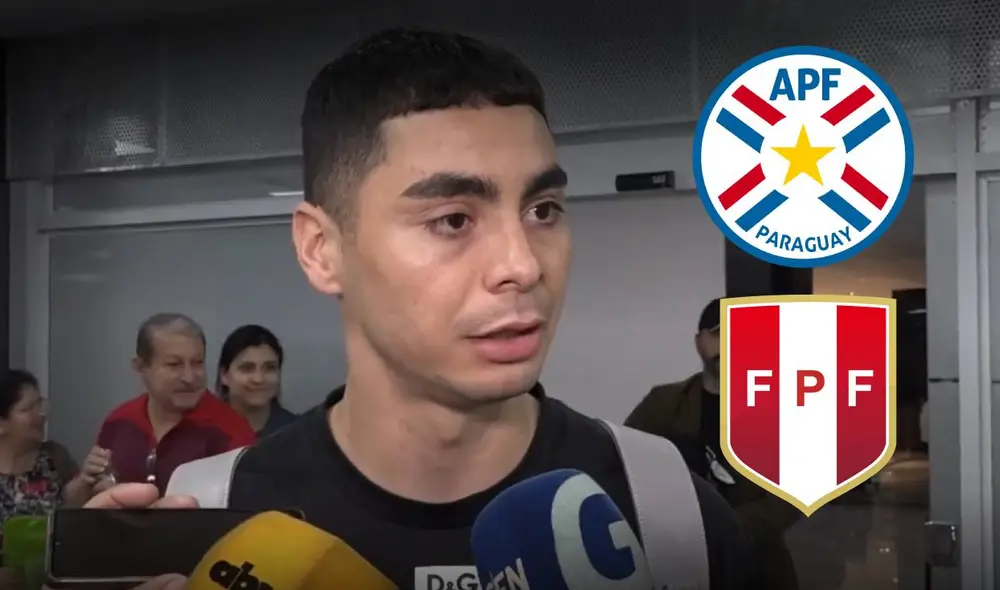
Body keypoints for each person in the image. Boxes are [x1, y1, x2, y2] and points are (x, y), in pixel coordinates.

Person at [89, 29, 759, 590]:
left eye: (543, 209)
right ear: (322, 250)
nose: (523, 264)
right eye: (453, 219)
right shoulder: (207, 514)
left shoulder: (668, 509)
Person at [625, 298, 801, 590]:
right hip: (679, 566)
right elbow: (625, 464)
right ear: (699, 342)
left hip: (758, 566)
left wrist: (721, 528)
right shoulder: (665, 403)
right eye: (720, 332)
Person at [92, 313, 256, 493]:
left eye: (197, 363)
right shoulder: (119, 421)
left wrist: (127, 500)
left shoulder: (231, 431)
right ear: (140, 367)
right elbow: (80, 499)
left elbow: (244, 513)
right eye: (174, 364)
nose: (189, 377)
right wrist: (86, 485)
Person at [216, 325, 297, 437]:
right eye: (247, 368)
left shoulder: (299, 433)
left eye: (270, 368)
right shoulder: (200, 433)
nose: (259, 379)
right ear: (224, 375)